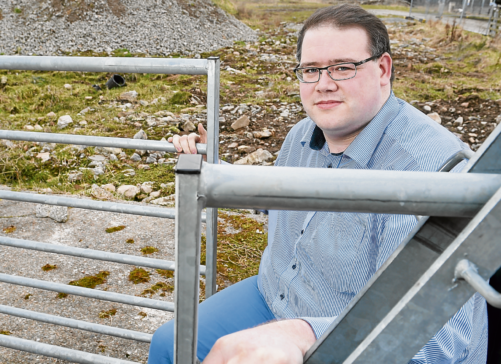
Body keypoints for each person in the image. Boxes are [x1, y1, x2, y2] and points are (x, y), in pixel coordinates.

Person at [148, 4, 488, 364]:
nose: (324, 84)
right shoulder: (301, 136)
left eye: (343, 67)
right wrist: (214, 171)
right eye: (311, 70)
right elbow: (271, 200)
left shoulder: (433, 170)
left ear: (383, 69)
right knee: (170, 344)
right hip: (275, 293)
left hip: (350, 330)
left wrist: (303, 333)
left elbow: (438, 340)